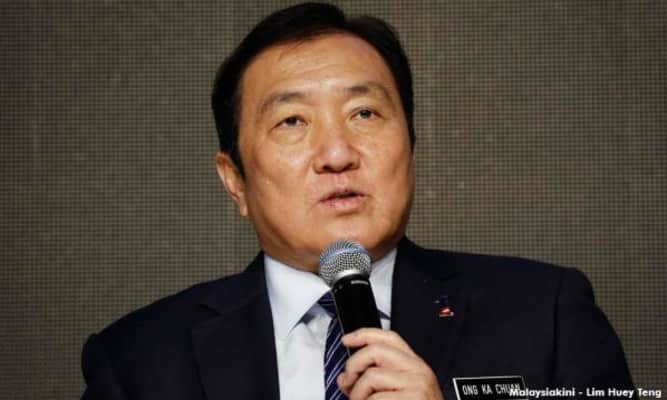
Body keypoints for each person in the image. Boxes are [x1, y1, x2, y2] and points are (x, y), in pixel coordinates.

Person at [81, 3, 635, 399]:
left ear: (411, 143)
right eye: (292, 121)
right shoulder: (137, 362)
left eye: (364, 114)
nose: (337, 154)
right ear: (235, 180)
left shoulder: (547, 317)